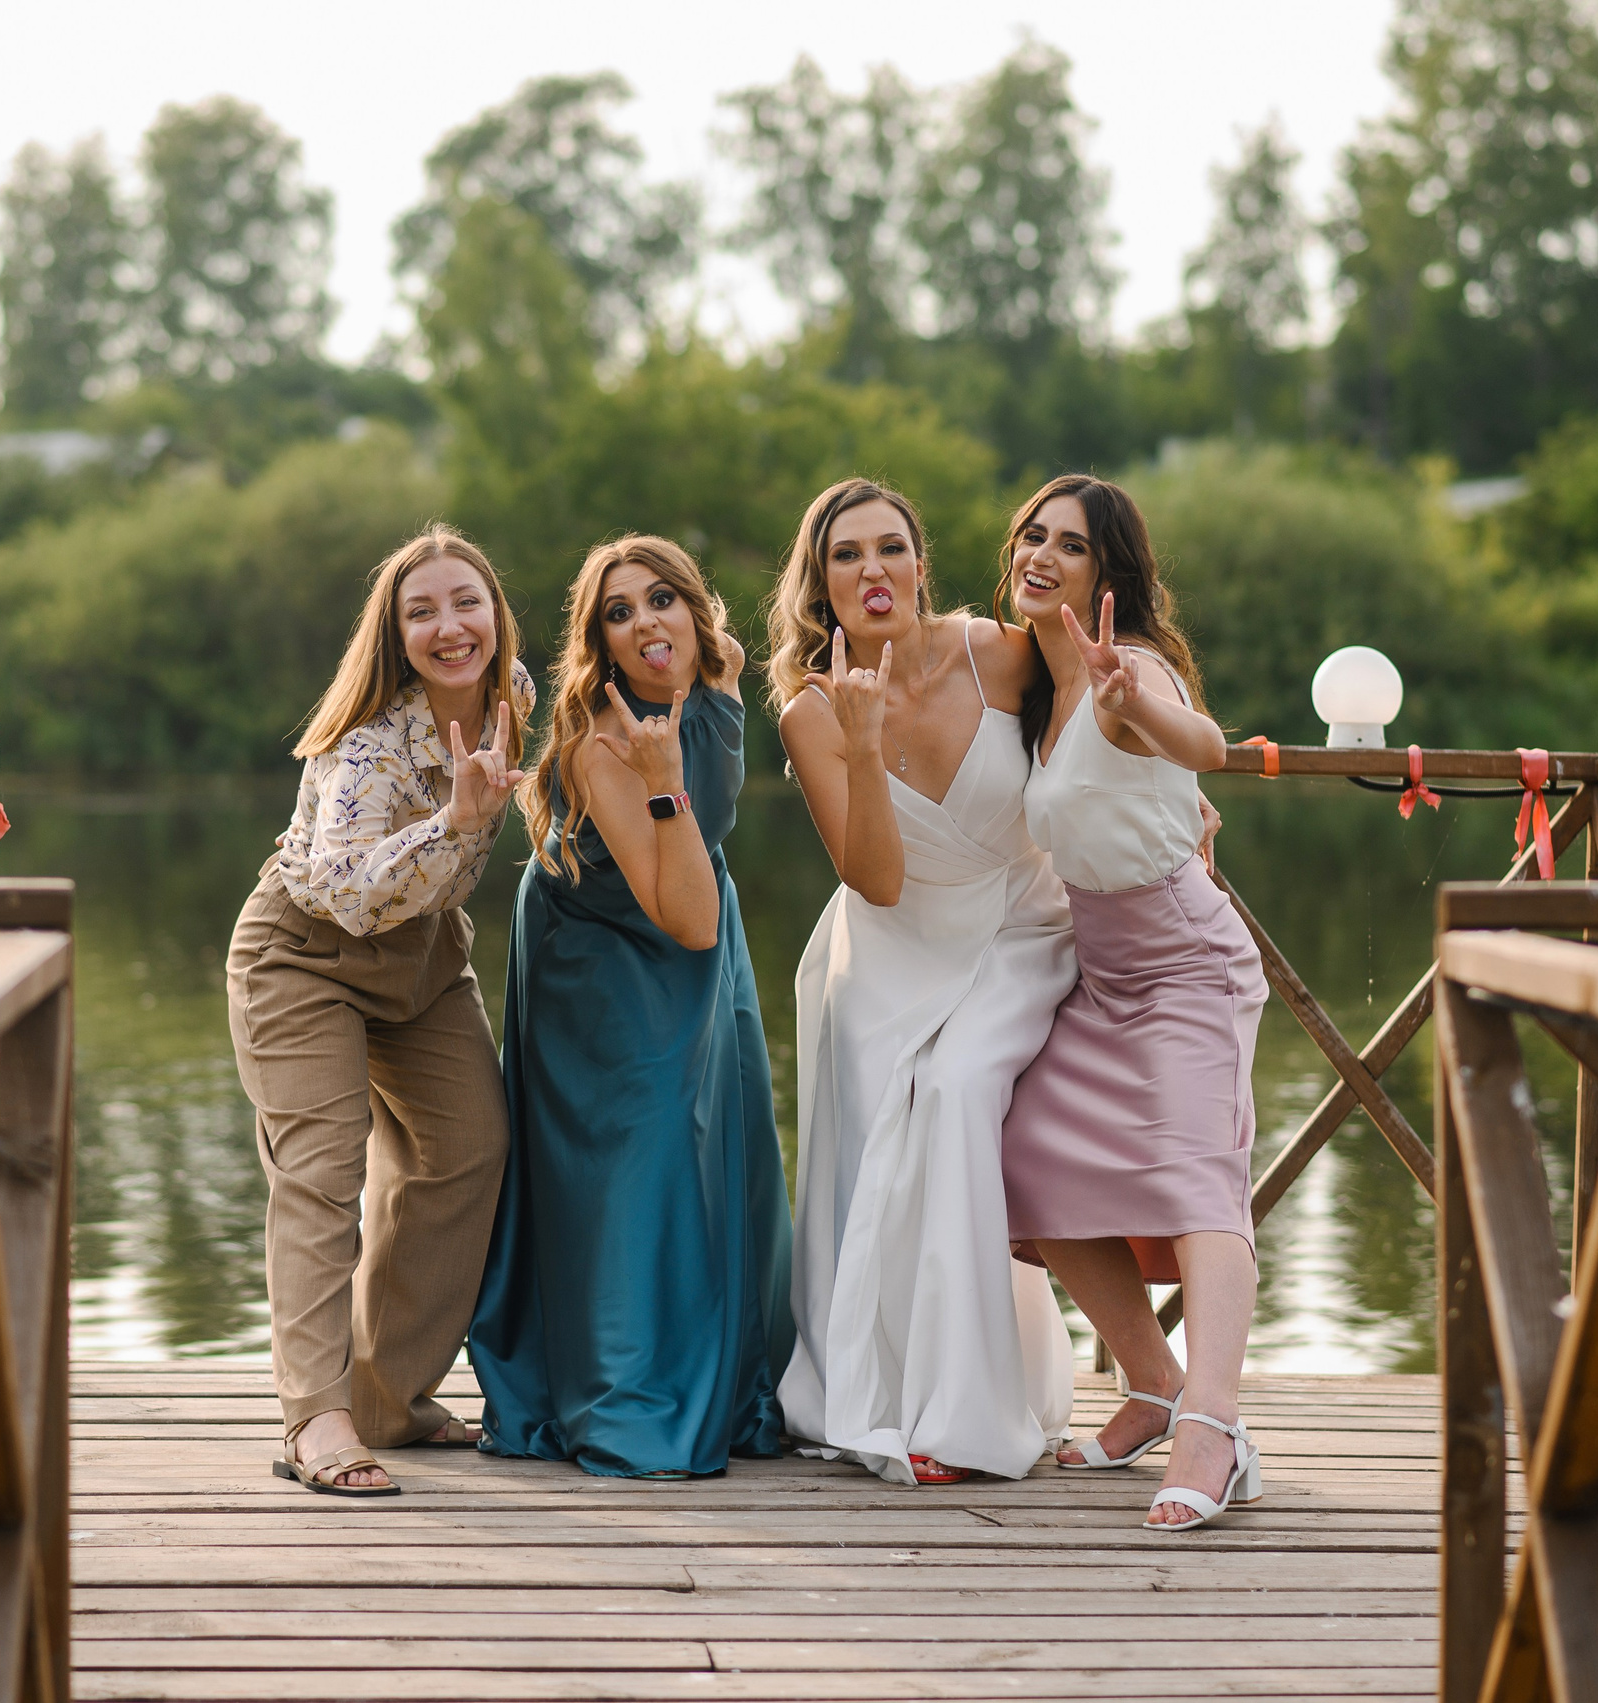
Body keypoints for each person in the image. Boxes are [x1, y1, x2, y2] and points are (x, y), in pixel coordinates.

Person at [770, 476, 1078, 1487]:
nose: (874, 570)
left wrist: (1179, 806)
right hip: (890, 946)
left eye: (890, 547)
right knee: (889, 1115)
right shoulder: (811, 712)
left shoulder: (996, 651)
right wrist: (862, 748)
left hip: (1019, 926)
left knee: (953, 1089)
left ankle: (968, 1408)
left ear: (918, 562)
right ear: (821, 585)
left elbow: (1102, 714)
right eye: (847, 554)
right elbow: (878, 879)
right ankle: (894, 1394)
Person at [469, 536, 792, 1478]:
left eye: (661, 599)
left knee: (724, 1136)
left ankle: (737, 1381)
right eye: (619, 612)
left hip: (697, 910)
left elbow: (699, 883)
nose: (647, 622)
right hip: (600, 947)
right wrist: (661, 783)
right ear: (601, 644)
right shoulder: (604, 746)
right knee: (635, 1153)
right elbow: (682, 917)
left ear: (696, 609)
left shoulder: (720, 673)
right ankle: (624, 1393)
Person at [225, 524, 533, 1498]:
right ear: (397, 636)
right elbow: (347, 893)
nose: (450, 626)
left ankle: (387, 1396)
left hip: (425, 959)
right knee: (324, 1171)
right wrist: (454, 821)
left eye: (466, 602)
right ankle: (314, 1416)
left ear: (496, 614)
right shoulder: (366, 747)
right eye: (422, 611)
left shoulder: (515, 699)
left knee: (472, 1144)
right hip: (305, 955)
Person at [997, 473, 1268, 1531]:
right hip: (1103, 970)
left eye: (1069, 543)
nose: (1042, 554)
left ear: (1107, 571)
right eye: (1032, 534)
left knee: (1200, 1187)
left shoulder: (1130, 666)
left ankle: (1214, 1425)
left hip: (1187, 961)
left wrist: (1138, 707)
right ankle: (1152, 1379)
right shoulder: (1039, 681)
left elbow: (1207, 750)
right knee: (1024, 1154)